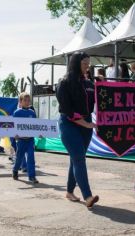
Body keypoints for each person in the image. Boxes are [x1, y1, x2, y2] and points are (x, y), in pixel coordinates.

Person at [56, 51, 99, 208]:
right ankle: (87, 196)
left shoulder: (89, 83)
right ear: (75, 64)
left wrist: (101, 86)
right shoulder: (64, 82)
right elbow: (66, 109)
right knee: (79, 158)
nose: (87, 67)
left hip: (86, 124)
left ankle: (69, 191)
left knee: (76, 159)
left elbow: (99, 101)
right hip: (69, 124)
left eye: (89, 63)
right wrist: (85, 123)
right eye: (84, 63)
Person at [12, 92, 39, 184]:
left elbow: (36, 126)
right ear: (20, 101)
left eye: (28, 100)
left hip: (30, 140)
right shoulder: (17, 113)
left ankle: (32, 176)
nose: (27, 102)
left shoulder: (32, 113)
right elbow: (13, 125)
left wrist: (40, 133)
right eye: (25, 100)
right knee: (19, 158)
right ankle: (15, 170)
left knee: (31, 158)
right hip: (21, 140)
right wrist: (14, 134)